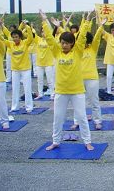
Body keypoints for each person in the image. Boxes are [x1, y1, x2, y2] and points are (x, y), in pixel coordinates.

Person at [39, 10, 94, 151]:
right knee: (58, 118)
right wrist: (44, 21)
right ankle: (56, 141)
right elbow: (51, 40)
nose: (64, 45)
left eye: (67, 43)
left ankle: (87, 141)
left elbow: (82, 37)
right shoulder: (57, 52)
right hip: (61, 91)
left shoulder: (77, 52)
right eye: (62, 43)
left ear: (72, 44)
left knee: (82, 118)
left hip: (77, 91)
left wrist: (87, 20)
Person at [73, 12, 104, 131]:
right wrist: (87, 20)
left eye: (86, 39)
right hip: (79, 78)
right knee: (79, 102)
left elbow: (97, 37)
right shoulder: (77, 49)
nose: (84, 41)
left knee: (94, 101)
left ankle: (97, 121)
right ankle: (77, 121)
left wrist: (101, 26)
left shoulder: (93, 48)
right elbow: (80, 36)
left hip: (92, 78)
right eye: (83, 39)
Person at [2, 21, 34, 113]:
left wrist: (27, 26)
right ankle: (15, 106)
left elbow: (31, 37)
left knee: (27, 88)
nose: (15, 39)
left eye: (16, 37)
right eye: (13, 37)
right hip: (15, 70)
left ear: (20, 37)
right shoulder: (10, 44)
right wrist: (0, 25)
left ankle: (29, 107)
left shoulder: (25, 43)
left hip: (25, 69)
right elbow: (0, 39)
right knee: (15, 88)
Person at [34, 27, 55, 100]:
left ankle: (53, 93)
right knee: (39, 80)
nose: (43, 33)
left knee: (50, 80)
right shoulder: (38, 39)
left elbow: (53, 33)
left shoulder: (50, 40)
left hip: (48, 63)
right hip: (39, 63)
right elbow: (30, 34)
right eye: (42, 32)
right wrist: (27, 26)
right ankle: (40, 94)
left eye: (45, 32)